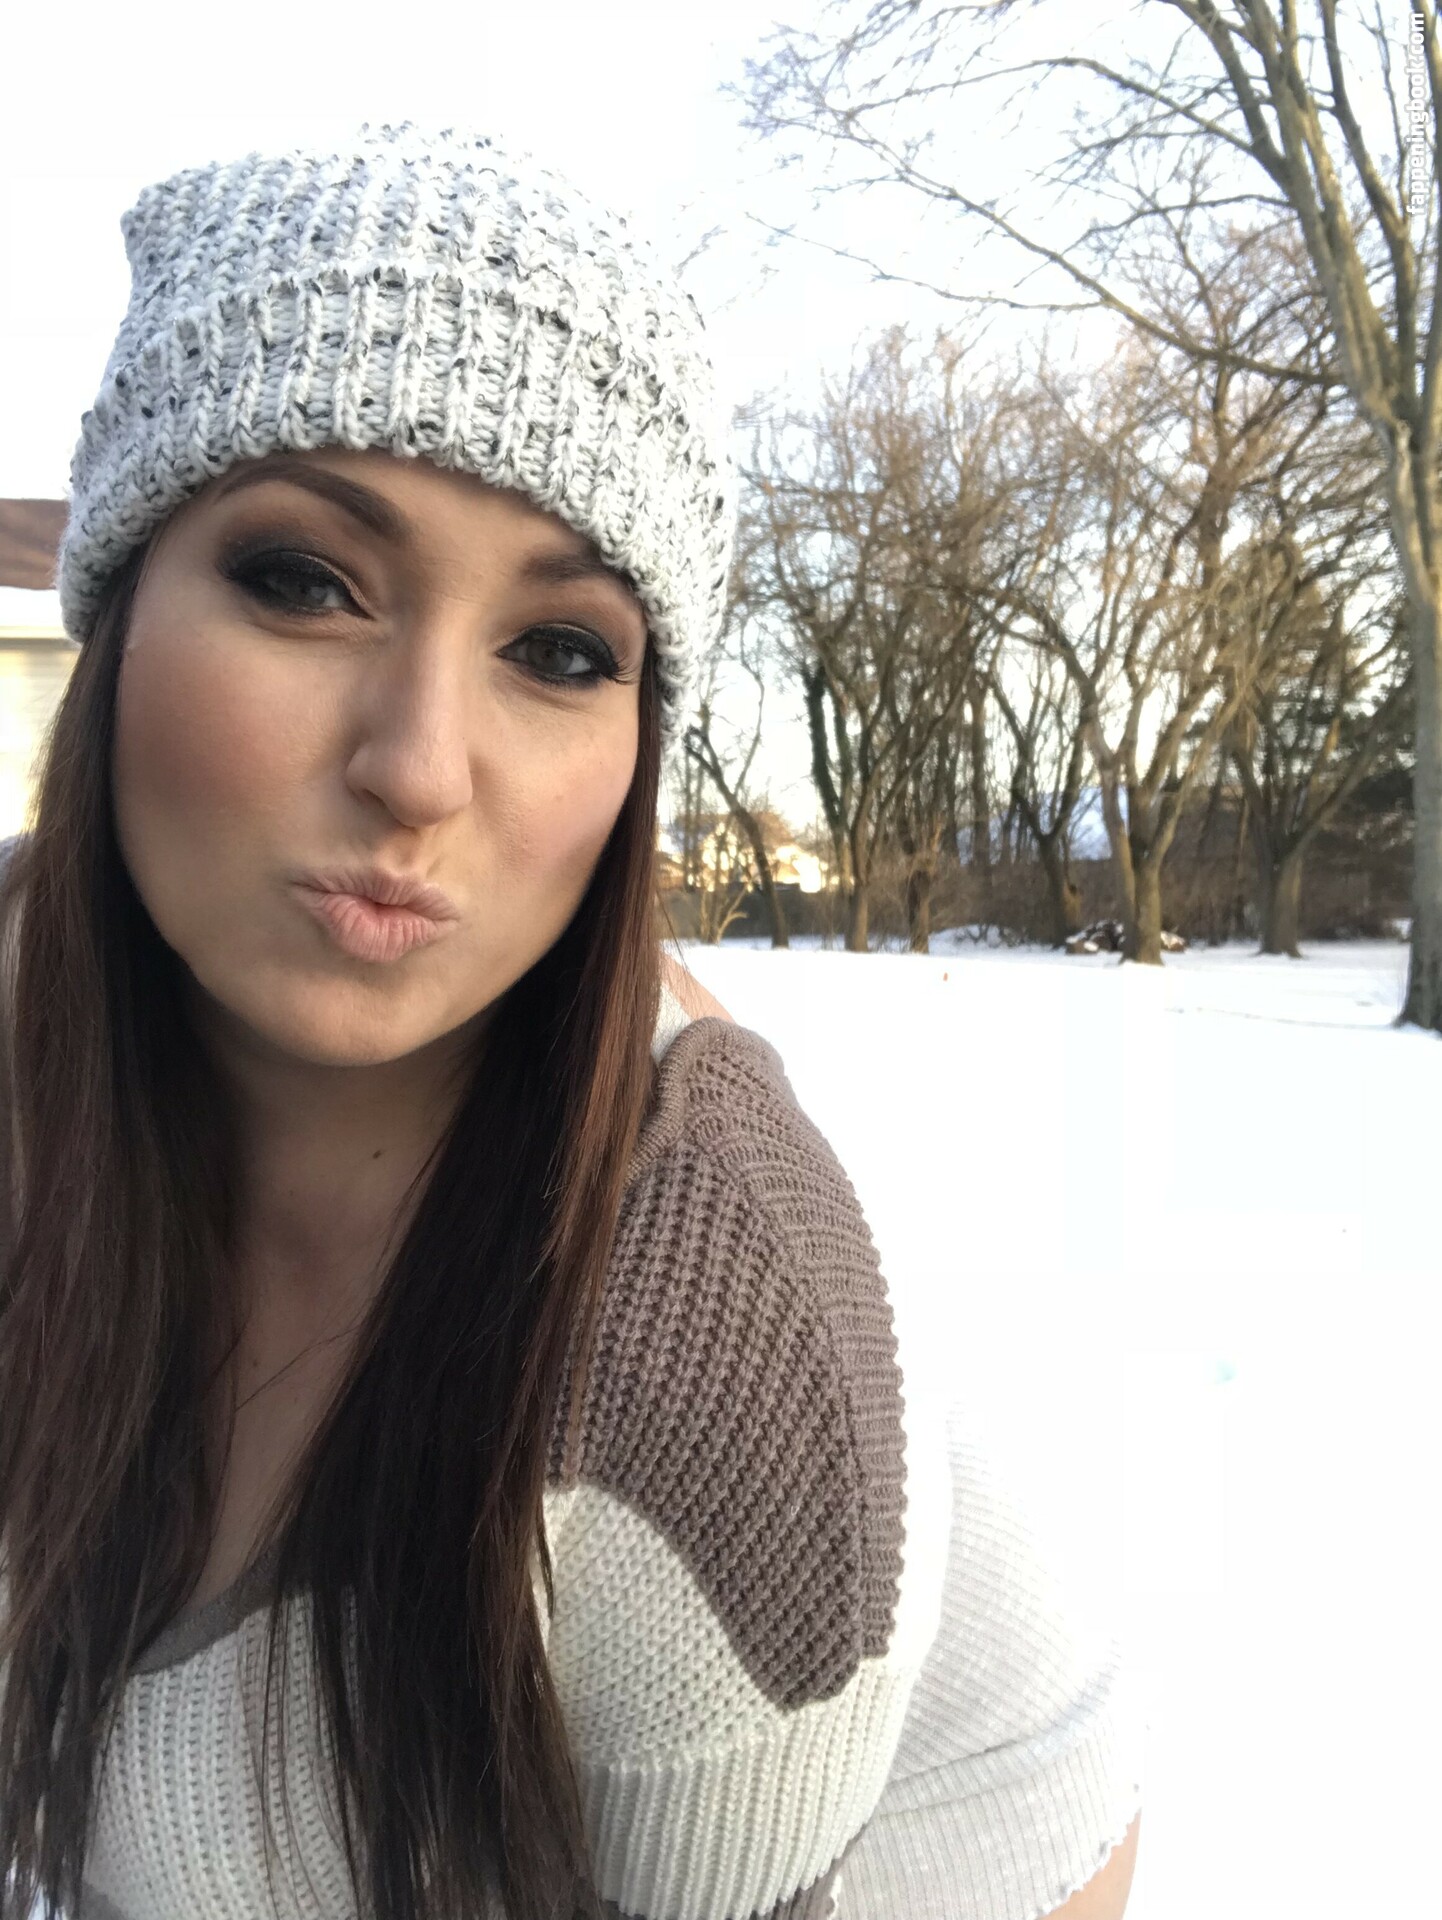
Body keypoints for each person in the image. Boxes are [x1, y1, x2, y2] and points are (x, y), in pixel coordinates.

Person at [0, 124, 1142, 1920]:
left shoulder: (707, 1361)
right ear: (118, 604)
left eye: (559, 652)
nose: (418, 768)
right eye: (303, 579)